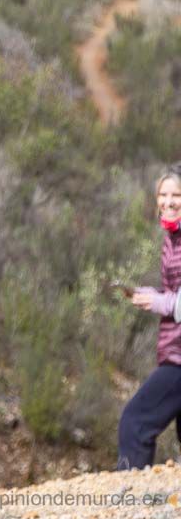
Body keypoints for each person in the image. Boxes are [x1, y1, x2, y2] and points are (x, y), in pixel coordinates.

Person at [117, 164, 181, 470]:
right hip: (173, 350)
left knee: (136, 422)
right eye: (162, 193)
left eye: (176, 194)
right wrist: (151, 295)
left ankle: (130, 502)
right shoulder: (172, 238)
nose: (168, 201)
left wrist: (158, 302)